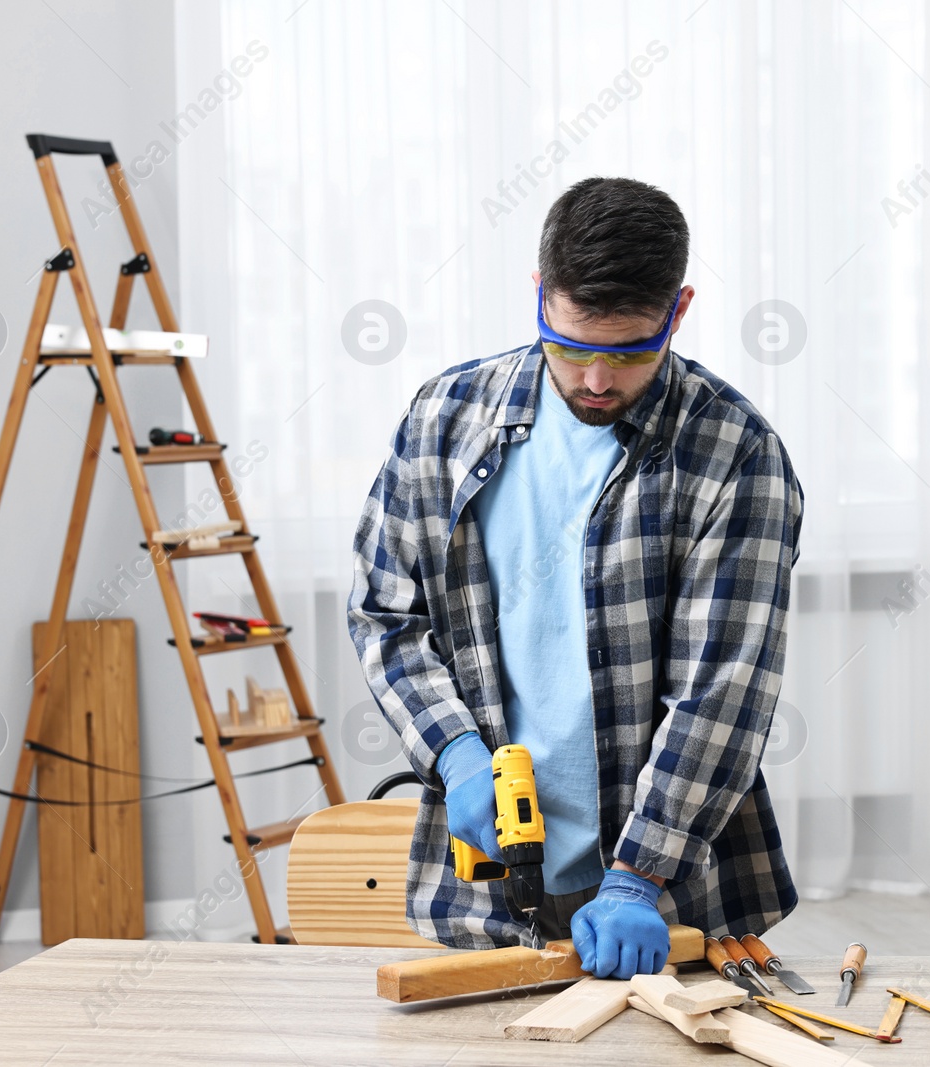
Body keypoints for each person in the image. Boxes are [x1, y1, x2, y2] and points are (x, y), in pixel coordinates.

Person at [347, 176, 802, 980]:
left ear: (680, 308)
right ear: (538, 294)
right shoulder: (444, 419)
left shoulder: (736, 455)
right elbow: (386, 613)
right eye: (570, 344)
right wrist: (454, 752)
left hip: (670, 901)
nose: (596, 379)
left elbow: (723, 692)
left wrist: (639, 875)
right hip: (484, 895)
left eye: (627, 352)